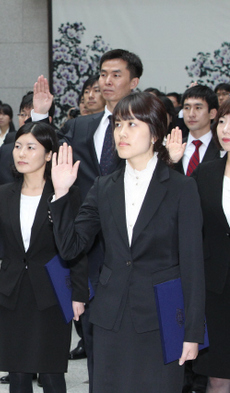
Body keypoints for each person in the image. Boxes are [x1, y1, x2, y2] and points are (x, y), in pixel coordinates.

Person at [50, 92, 205, 393]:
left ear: (156, 132)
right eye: (118, 124)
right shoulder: (103, 186)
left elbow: (193, 264)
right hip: (111, 317)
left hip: (160, 318)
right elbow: (70, 247)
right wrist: (61, 194)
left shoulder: (181, 188)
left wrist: (192, 332)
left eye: (132, 125)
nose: (121, 132)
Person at [31, 50, 143, 391]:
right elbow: (36, 149)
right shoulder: (80, 126)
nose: (106, 81)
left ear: (134, 82)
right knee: (95, 339)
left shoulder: (148, 126)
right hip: (88, 251)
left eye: (116, 75)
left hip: (138, 249)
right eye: (103, 74)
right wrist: (40, 114)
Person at [0, 122, 86, 393]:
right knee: (18, 373)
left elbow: (78, 246)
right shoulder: (3, 194)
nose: (21, 153)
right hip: (12, 293)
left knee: (51, 373)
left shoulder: (66, 194)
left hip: (51, 293)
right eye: (18, 146)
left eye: (31, 147)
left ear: (49, 155)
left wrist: (79, 293)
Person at [191, 99, 230, 393]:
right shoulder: (205, 174)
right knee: (217, 376)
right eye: (224, 122)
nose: (226, 130)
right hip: (215, 290)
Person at [170, 85, 220, 176]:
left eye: (198, 108)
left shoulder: (222, 148)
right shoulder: (174, 147)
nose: (191, 114)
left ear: (212, 113)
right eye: (187, 108)